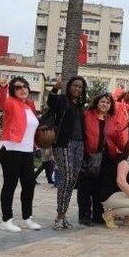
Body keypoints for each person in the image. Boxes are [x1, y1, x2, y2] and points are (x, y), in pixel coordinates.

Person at [0, 76, 41, 232]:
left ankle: (27, 218)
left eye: (25, 87)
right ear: (12, 90)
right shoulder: (10, 103)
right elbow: (2, 100)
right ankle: (6, 219)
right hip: (10, 149)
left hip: (27, 151)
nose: (22, 89)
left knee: (29, 184)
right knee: (10, 184)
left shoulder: (29, 106)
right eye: (18, 87)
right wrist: (2, 87)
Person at [48, 76, 88, 230]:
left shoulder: (81, 106)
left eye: (80, 87)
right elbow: (51, 102)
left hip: (79, 145)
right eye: (75, 86)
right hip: (63, 143)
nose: (77, 89)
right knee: (66, 178)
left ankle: (63, 215)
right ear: (70, 86)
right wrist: (55, 89)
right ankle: (59, 216)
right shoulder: (62, 100)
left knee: (72, 181)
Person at [78, 93, 117, 226]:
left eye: (107, 102)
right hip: (88, 155)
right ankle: (84, 216)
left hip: (106, 157)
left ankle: (98, 215)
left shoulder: (111, 118)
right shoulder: (87, 114)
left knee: (100, 188)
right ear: (97, 102)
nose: (104, 104)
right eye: (102, 101)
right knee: (85, 188)